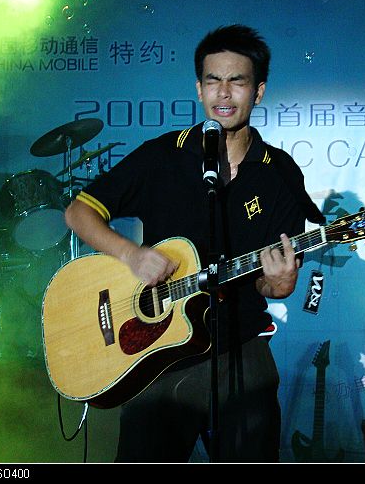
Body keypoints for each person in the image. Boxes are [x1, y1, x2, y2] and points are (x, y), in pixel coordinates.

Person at [64, 24, 324, 462]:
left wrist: (279, 283)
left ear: (258, 91)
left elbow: (269, 282)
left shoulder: (279, 172)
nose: (224, 93)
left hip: (240, 348)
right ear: (199, 89)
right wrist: (132, 255)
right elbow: (78, 213)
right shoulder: (162, 155)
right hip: (157, 354)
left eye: (237, 81)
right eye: (213, 80)